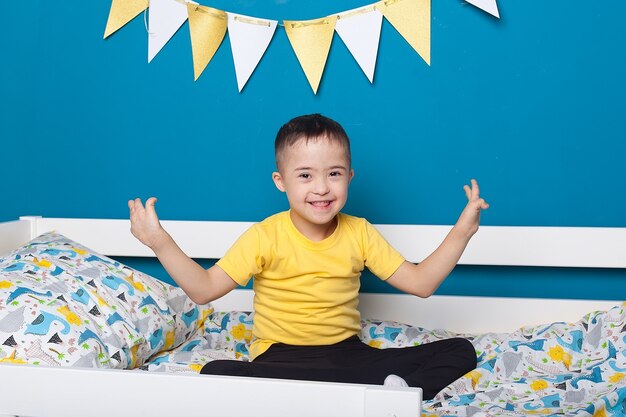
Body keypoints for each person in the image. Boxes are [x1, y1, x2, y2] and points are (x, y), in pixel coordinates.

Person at [128, 113, 489, 400]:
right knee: (215, 373)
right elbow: (204, 289)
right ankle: (338, 396)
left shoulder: (359, 231)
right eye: (305, 175)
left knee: (459, 350)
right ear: (280, 181)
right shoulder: (264, 235)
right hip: (281, 358)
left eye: (333, 174)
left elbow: (421, 283)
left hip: (346, 356)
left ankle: (395, 397)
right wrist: (159, 241)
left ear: (349, 176)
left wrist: (463, 231)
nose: (321, 188)